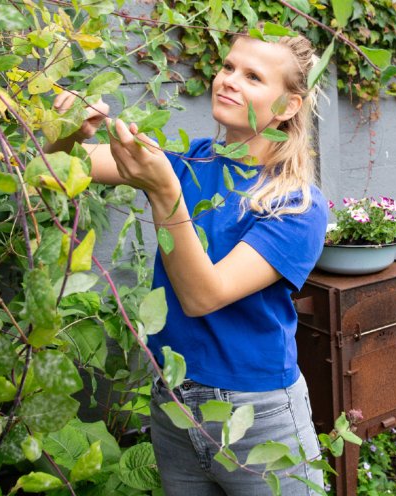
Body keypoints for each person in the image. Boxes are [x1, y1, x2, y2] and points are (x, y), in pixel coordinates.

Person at [48, 32, 328, 495]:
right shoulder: (191, 160)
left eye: (253, 76)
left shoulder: (296, 205)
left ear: (288, 106)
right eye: (229, 67)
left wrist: (163, 191)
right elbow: (59, 171)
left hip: (257, 415)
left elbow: (204, 296)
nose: (229, 80)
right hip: (174, 402)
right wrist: (67, 133)